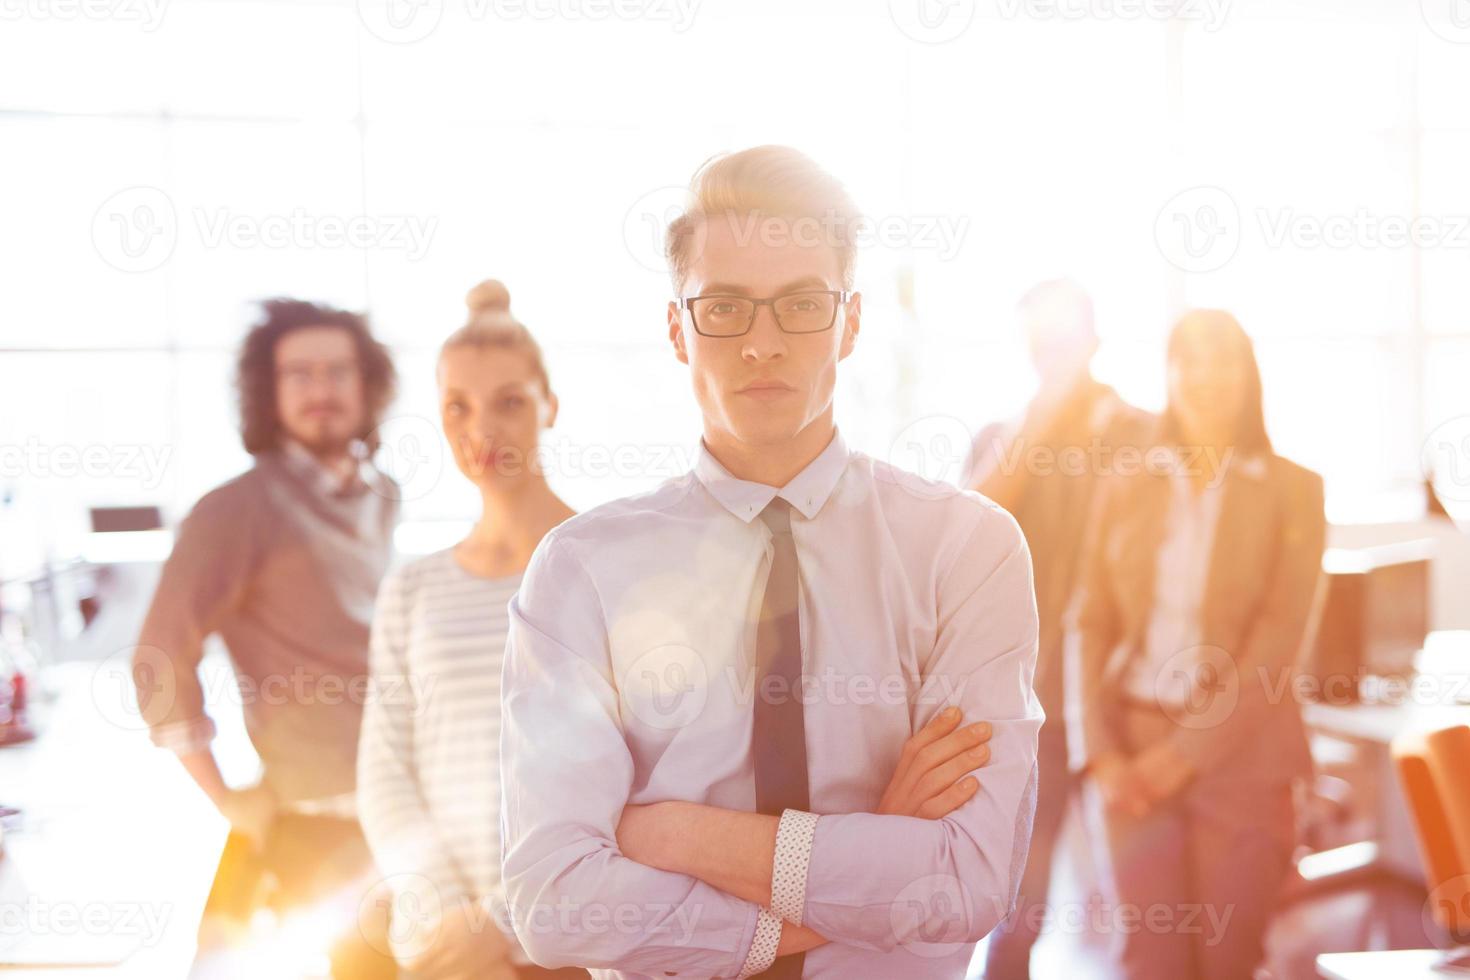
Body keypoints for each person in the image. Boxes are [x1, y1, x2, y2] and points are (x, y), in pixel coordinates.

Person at [498, 145, 1043, 979]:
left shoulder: (967, 548)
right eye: (724, 307)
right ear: (678, 329)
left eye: (799, 305)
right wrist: (856, 868)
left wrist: (674, 833)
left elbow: (967, 880)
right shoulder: (581, 570)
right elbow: (556, 900)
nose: (761, 343)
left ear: (850, 323)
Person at [132, 298, 400, 978]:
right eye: (299, 374)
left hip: (404, 810)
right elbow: (158, 660)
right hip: (315, 823)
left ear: (367, 386)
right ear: (267, 391)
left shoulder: (382, 495)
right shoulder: (234, 511)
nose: (321, 390)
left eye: (338, 372)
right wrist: (224, 796)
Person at [1065, 309, 1327, 980]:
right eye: (1190, 360)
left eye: (1224, 360)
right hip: (1129, 746)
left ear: (1250, 375)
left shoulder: (1294, 491)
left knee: (1227, 960)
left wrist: (1183, 756)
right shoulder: (1125, 481)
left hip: (1242, 758)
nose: (1207, 377)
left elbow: (1276, 645)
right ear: (1169, 372)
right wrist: (1100, 754)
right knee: (1148, 960)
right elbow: (1088, 620)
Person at [356, 281, 583, 980]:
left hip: (576, 947)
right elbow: (384, 774)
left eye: (509, 402)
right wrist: (451, 923)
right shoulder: (414, 588)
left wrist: (501, 924)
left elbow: (644, 780)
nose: (482, 431)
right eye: (459, 406)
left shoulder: (605, 569)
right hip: (444, 955)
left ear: (549, 404)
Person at [968, 279, 1149, 979]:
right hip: (1034, 701)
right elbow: (972, 524)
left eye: (1066, 339)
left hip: (1124, 701)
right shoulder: (1003, 437)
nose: (1054, 354)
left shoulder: (1138, 431)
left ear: (1096, 342)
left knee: (1146, 903)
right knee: (1023, 898)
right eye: (1040, 341)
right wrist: (1042, 420)